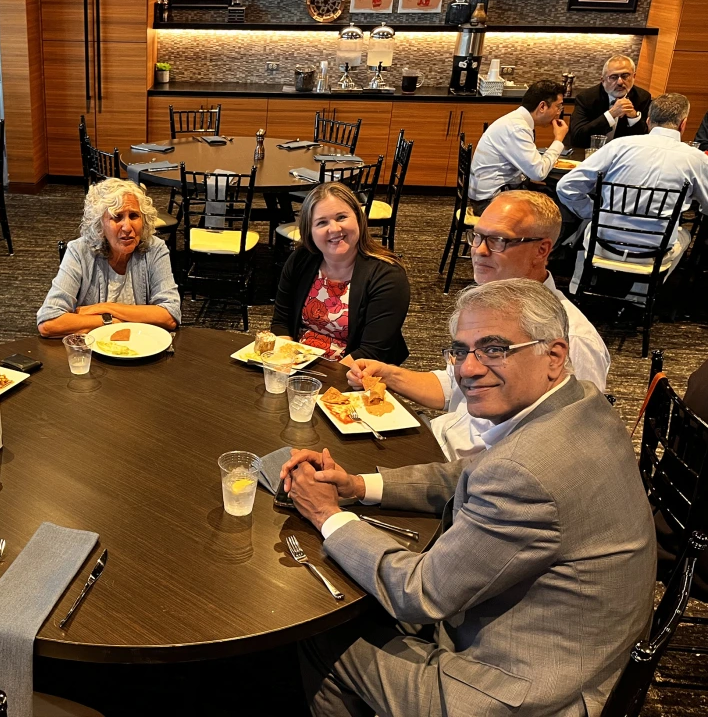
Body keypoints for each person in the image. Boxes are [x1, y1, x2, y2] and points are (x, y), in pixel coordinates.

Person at [283, 278, 656, 717]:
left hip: (528, 692)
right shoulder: (581, 404)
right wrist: (358, 486)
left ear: (554, 356)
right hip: (580, 648)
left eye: (494, 349)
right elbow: (469, 473)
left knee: (321, 634)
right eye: (461, 351)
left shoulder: (527, 472)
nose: (469, 369)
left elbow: (419, 593)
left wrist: (326, 513)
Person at [347, 191, 610, 460]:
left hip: (471, 471)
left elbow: (567, 444)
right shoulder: (489, 305)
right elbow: (455, 387)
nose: (479, 251)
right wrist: (390, 376)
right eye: (477, 236)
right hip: (439, 438)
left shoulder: (573, 338)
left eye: (498, 240)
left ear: (541, 250)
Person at [557, 93, 708, 295]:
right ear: (683, 124)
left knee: (589, 226)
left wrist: (593, 212)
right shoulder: (696, 159)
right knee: (685, 235)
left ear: (648, 120)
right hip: (654, 252)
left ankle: (578, 286)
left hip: (603, 243)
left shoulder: (619, 146)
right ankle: (641, 295)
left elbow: (566, 186)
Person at [271, 183, 410, 364]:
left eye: (341, 217)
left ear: (358, 218)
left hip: (354, 371)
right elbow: (281, 323)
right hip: (298, 364)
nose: (335, 229)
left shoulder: (388, 276)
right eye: (322, 222)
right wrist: (284, 364)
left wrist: (321, 378)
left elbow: (371, 352)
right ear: (309, 231)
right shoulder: (301, 259)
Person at [37, 178, 180, 337]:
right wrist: (112, 322)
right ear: (100, 225)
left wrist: (105, 308)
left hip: (141, 346)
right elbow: (48, 322)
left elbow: (170, 315)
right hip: (92, 348)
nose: (127, 227)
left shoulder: (154, 249)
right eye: (117, 217)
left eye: (134, 216)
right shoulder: (79, 251)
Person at [469, 80, 568, 210]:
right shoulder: (517, 128)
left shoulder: (517, 121)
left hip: (499, 191)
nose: (559, 112)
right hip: (490, 202)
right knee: (556, 206)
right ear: (542, 107)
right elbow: (538, 173)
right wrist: (558, 139)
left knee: (553, 195)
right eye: (558, 107)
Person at [569, 55, 652, 150]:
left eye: (625, 76)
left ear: (634, 77)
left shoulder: (642, 97)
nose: (620, 82)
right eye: (613, 77)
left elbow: (646, 140)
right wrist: (611, 114)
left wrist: (633, 117)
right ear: (603, 80)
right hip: (592, 153)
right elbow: (577, 138)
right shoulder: (586, 98)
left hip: (624, 154)